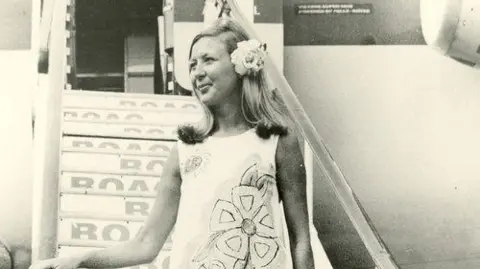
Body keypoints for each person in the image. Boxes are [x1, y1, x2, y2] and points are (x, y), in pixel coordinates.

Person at [30, 17, 315, 269]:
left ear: (241, 65)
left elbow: (300, 238)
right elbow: (146, 244)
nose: (197, 72)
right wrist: (76, 261)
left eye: (208, 60)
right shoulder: (185, 149)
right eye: (192, 64)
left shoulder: (277, 140)